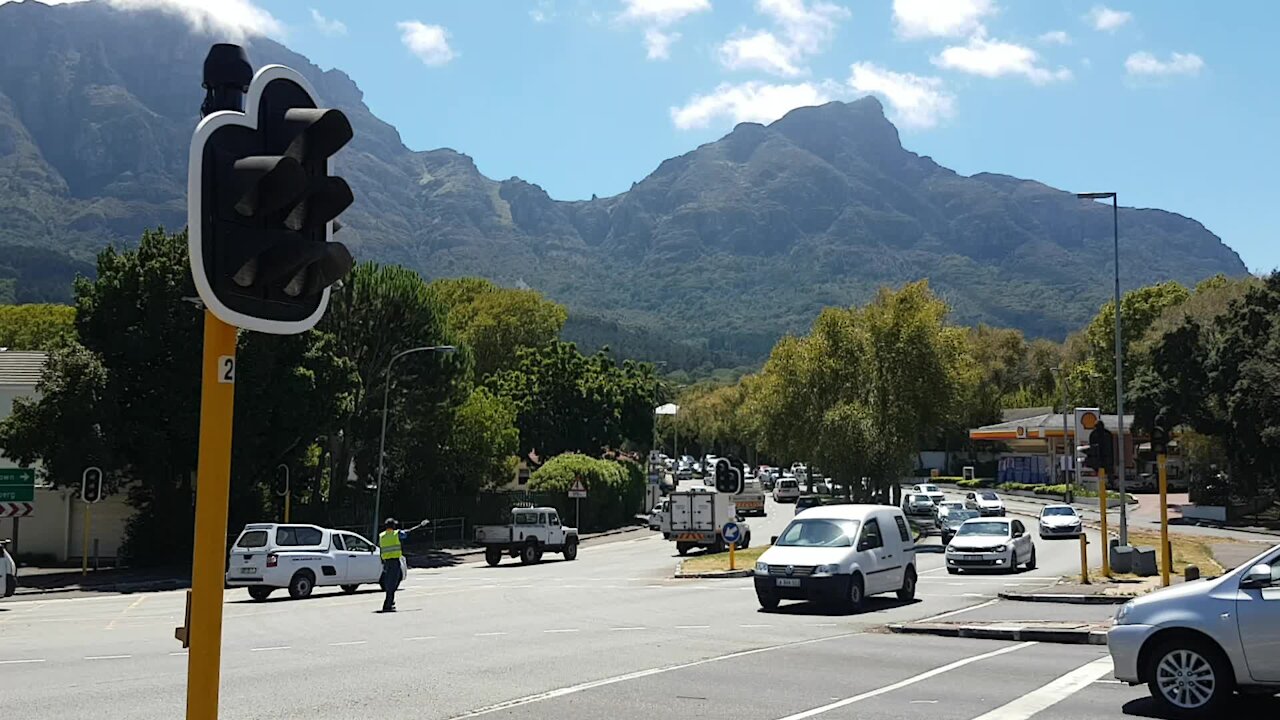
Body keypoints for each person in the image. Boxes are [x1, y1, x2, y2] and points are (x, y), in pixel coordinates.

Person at [377, 517, 407, 613]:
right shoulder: (396, 534)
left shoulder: (382, 535)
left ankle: (390, 602)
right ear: (393, 526)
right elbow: (404, 535)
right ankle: (388, 604)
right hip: (394, 562)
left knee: (390, 583)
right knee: (393, 583)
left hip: (386, 562)